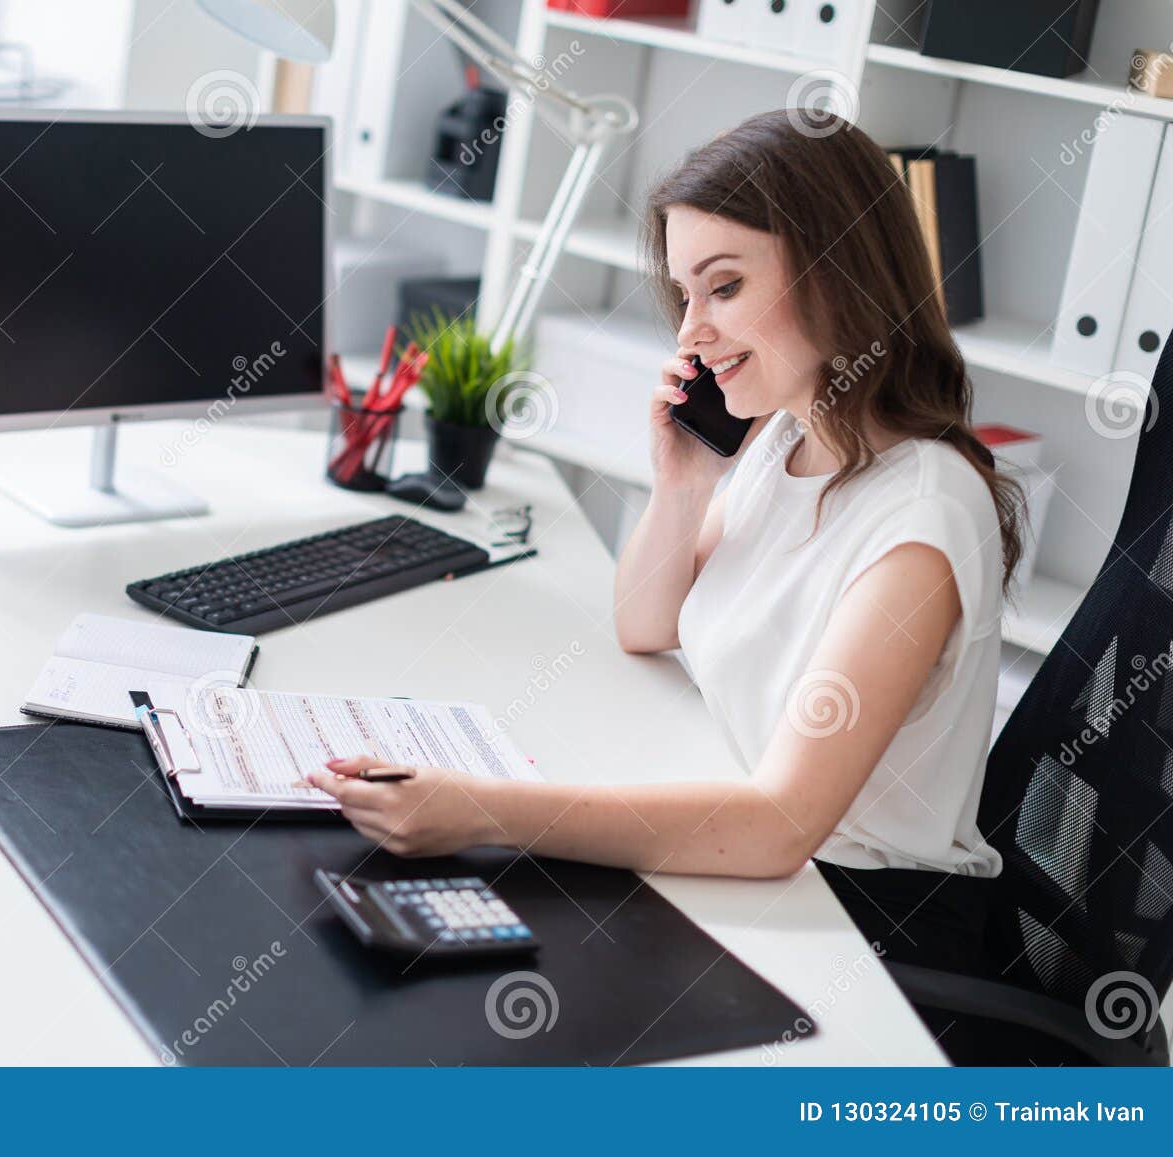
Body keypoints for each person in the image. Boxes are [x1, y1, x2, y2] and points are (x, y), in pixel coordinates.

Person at [306, 109, 1025, 979]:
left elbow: (781, 824)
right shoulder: (784, 442)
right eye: (686, 296)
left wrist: (486, 812)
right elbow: (646, 623)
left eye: (724, 288)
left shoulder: (923, 513)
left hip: (865, 923)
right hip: (772, 864)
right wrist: (682, 480)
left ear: (842, 273)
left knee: (519, 967)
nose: (691, 333)